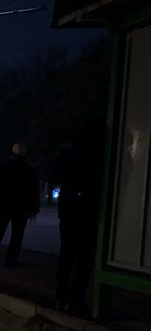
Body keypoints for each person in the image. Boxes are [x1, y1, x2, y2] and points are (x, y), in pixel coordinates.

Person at [53, 133, 101, 313]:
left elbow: (55, 176)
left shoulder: (67, 154)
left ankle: (61, 297)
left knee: (66, 254)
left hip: (68, 210)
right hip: (88, 211)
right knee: (84, 257)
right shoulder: (97, 155)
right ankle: (75, 299)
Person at [0, 143, 40, 267]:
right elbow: (35, 192)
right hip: (22, 207)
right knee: (17, 235)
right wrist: (35, 208)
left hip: (4, 205)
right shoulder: (30, 172)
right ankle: (10, 259)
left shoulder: (1, 168)